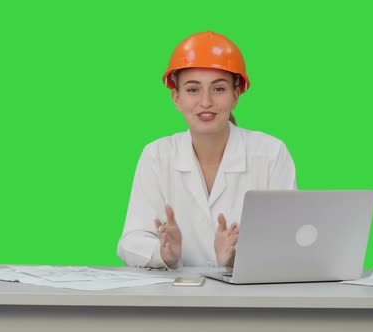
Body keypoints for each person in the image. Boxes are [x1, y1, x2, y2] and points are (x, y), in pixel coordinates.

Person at [117, 31, 297, 270]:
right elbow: (130, 241)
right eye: (193, 90)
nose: (206, 101)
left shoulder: (271, 153)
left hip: (250, 299)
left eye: (219, 89)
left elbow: (290, 241)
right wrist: (163, 253)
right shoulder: (157, 155)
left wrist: (237, 258)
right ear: (176, 98)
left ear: (235, 95)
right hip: (174, 299)